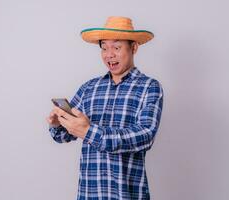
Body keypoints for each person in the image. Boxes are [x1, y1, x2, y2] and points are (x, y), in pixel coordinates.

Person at [46, 16, 164, 200]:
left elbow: (145, 136)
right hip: (89, 194)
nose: (109, 54)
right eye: (104, 48)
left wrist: (89, 131)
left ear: (134, 48)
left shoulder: (149, 87)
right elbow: (63, 135)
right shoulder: (89, 88)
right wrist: (57, 123)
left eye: (116, 47)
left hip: (128, 194)